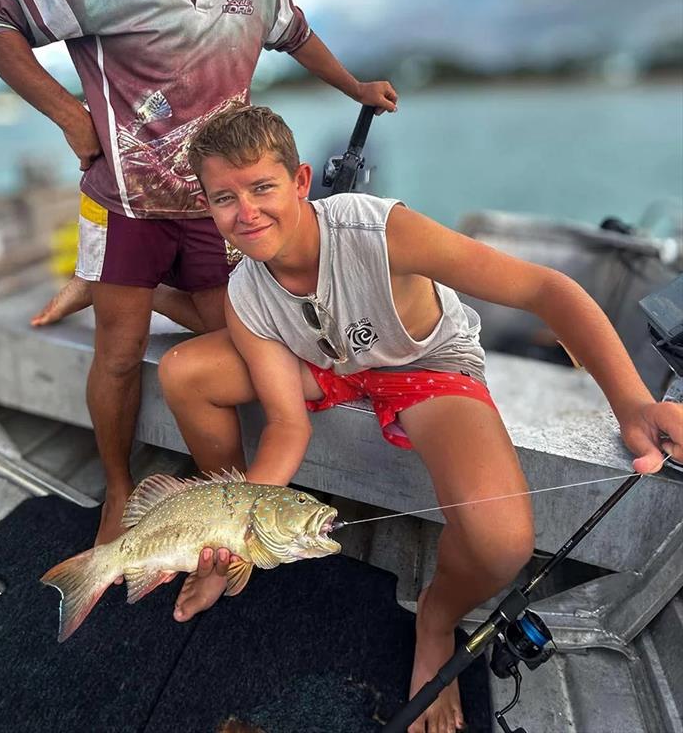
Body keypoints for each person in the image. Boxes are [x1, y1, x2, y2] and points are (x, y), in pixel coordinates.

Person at [0, 0, 397, 546]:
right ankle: (118, 487)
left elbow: (295, 33)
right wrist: (68, 115)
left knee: (246, 341)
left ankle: (197, 454)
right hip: (125, 203)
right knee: (119, 357)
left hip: (221, 208)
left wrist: (355, 86)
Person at [157, 105, 683, 733]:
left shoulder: (378, 231)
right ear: (207, 205)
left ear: (300, 181)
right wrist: (237, 531)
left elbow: (546, 291)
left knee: (501, 543)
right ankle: (221, 549)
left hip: (425, 365)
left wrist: (633, 405)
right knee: (185, 371)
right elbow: (287, 424)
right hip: (327, 361)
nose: (246, 212)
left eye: (262, 187)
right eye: (225, 198)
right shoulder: (246, 292)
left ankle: (435, 619)